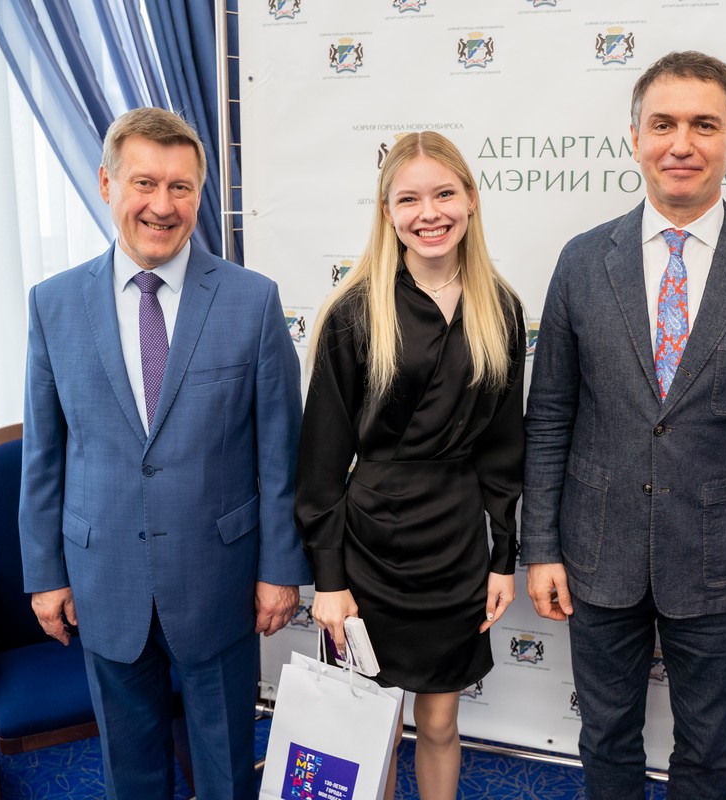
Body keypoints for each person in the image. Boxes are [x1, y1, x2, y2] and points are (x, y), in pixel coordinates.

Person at [521, 51, 726, 800]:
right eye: (663, 124)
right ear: (635, 138)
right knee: (606, 741)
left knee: (708, 755)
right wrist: (542, 546)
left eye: (703, 125)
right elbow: (550, 416)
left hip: (721, 565)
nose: (681, 144)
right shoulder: (582, 261)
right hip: (597, 555)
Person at [19, 107, 311, 799]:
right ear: (107, 184)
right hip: (102, 575)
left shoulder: (252, 301)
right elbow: (44, 454)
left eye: (181, 186)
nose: (162, 204)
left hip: (219, 577)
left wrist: (280, 569)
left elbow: (280, 453)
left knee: (225, 767)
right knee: (131, 770)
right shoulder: (53, 304)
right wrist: (45, 574)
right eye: (144, 183)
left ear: (199, 194)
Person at [295, 131, 525, 800]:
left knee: (442, 721)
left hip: (455, 544)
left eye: (444, 193)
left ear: (471, 200)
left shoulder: (502, 309)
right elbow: (320, 465)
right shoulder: (353, 312)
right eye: (409, 199)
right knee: (373, 725)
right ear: (387, 211)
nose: (430, 213)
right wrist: (329, 581)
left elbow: (503, 452)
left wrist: (503, 558)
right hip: (370, 545)